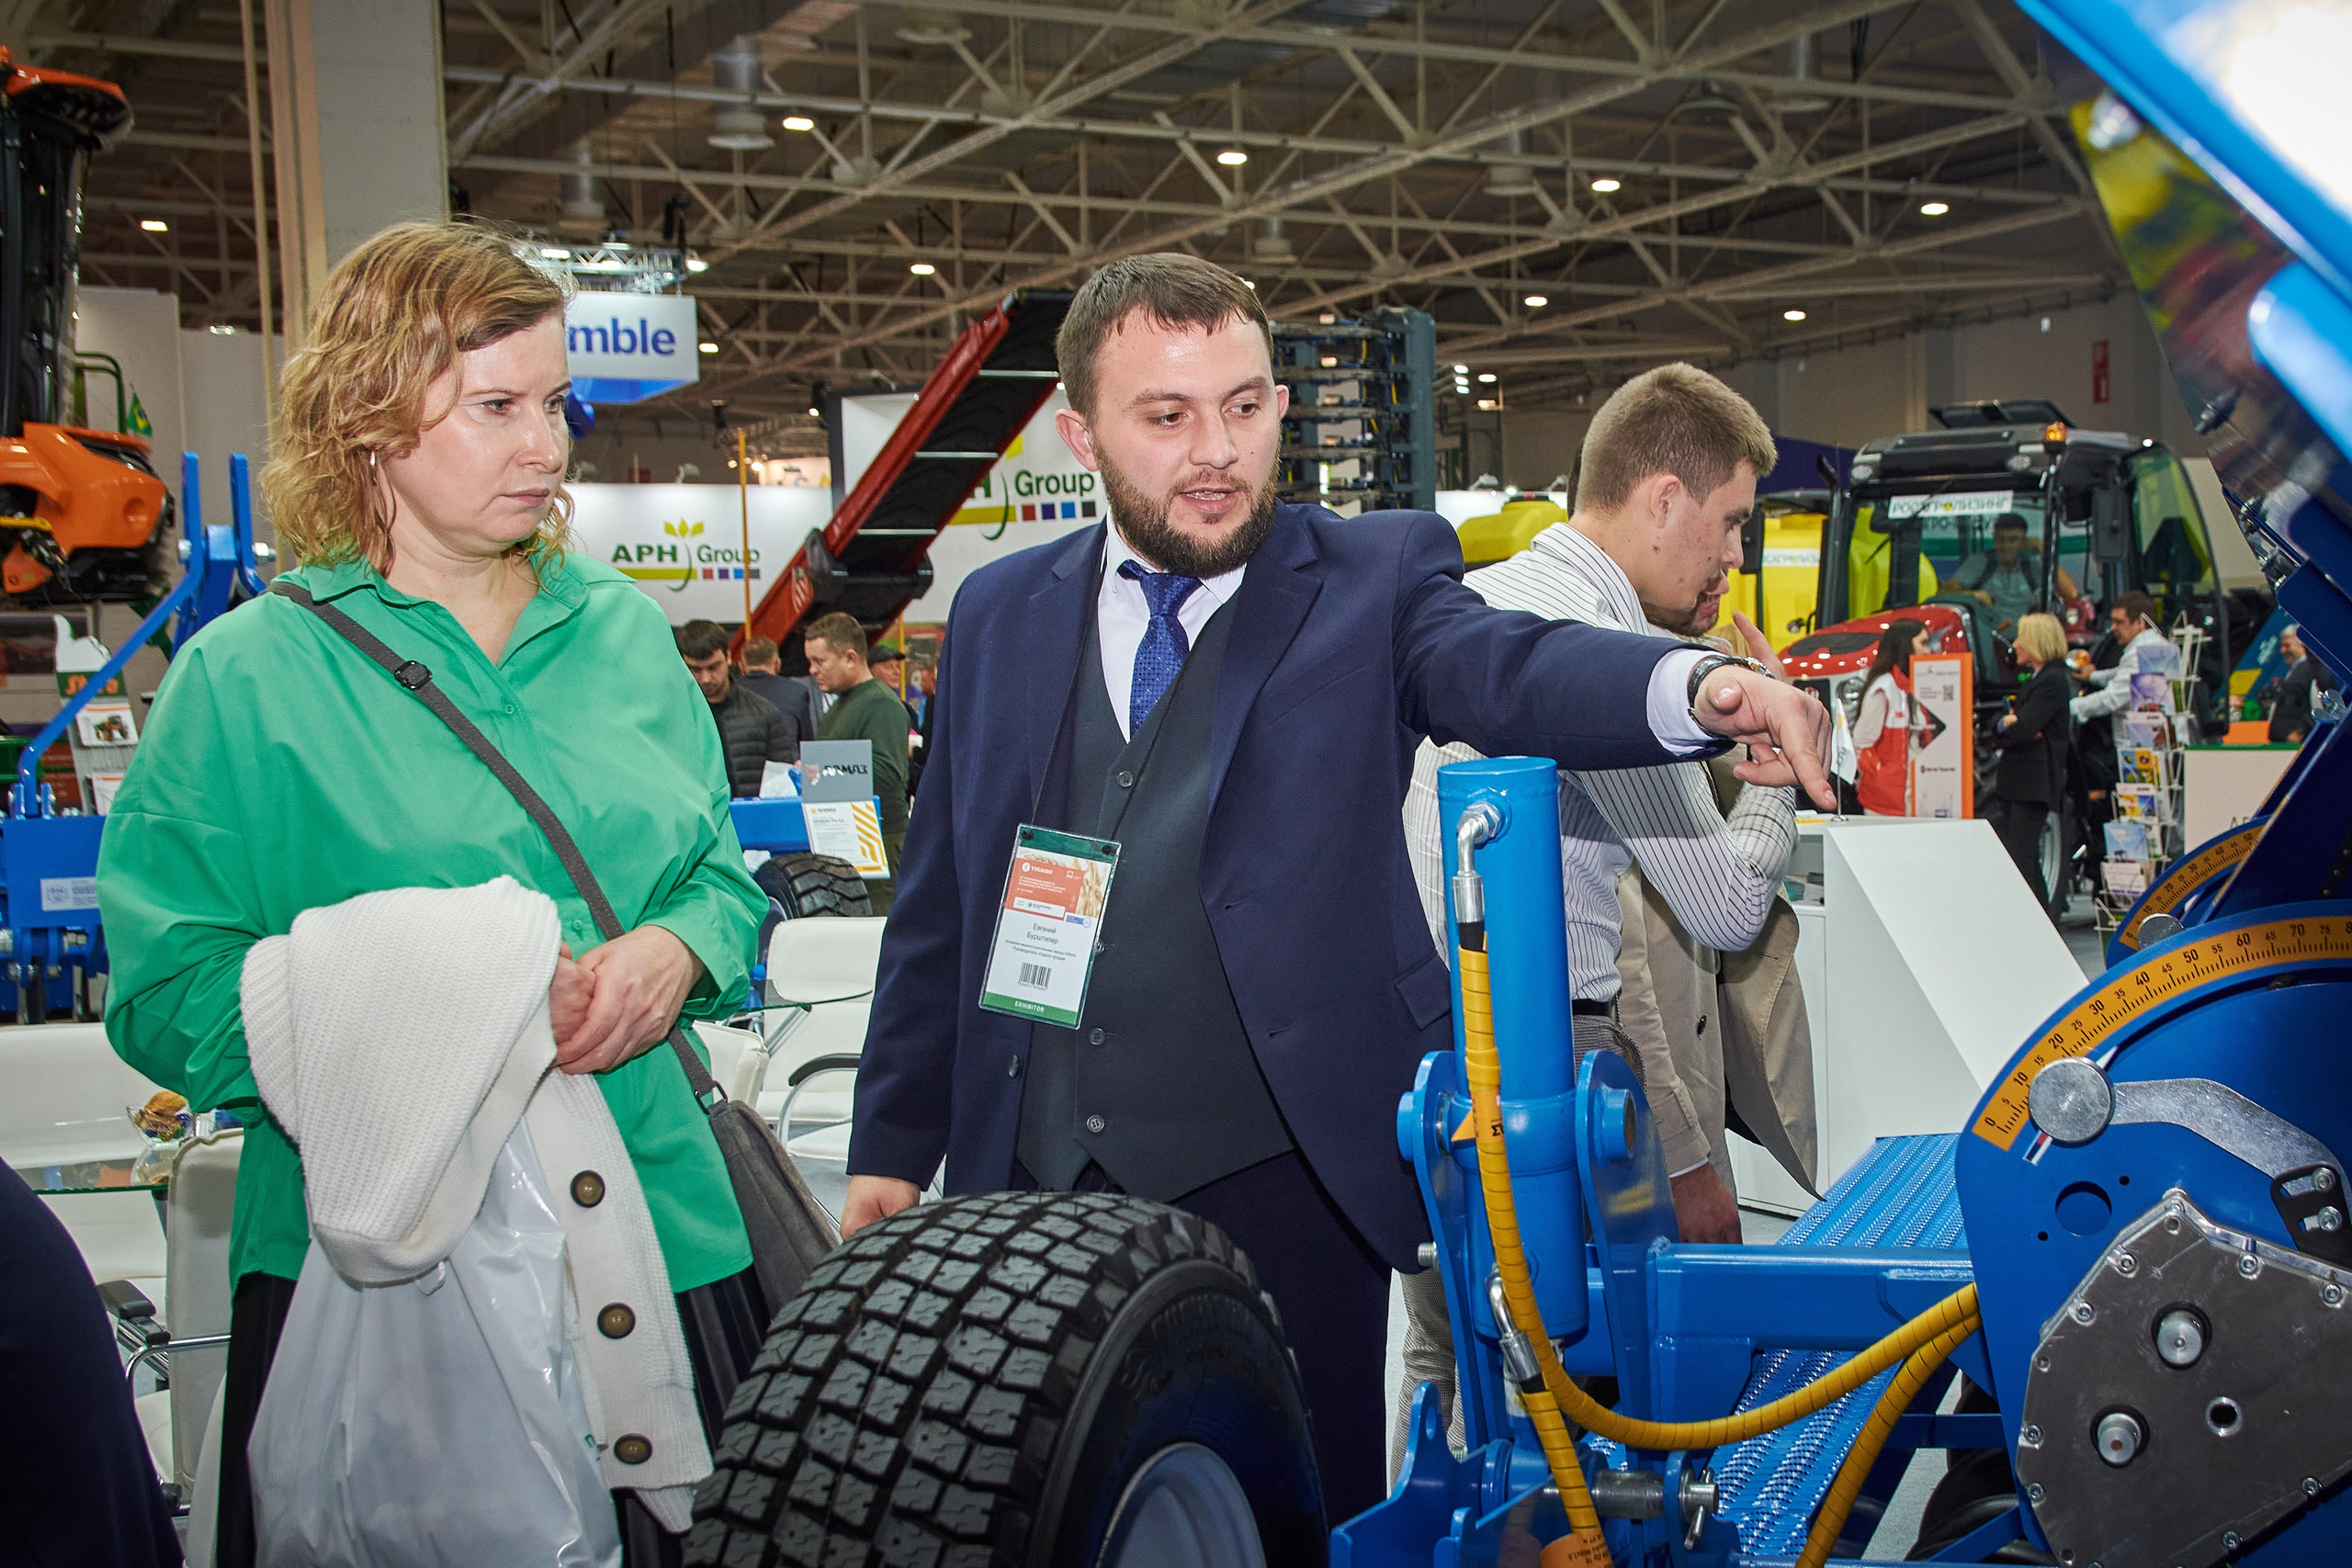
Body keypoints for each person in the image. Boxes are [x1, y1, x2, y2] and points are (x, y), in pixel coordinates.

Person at [841, 253, 1836, 1521]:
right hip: (1029, 1168)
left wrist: (1695, 690)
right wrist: (891, 1137)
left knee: (1283, 1506)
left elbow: (1505, 666)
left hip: (1281, 1173)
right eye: (1169, 416)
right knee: (1033, 1502)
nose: (1219, 452)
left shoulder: (1367, 581)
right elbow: (944, 893)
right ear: (1081, 431)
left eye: (1247, 407)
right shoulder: (998, 612)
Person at [96, 220, 769, 1568]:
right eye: (497, 406)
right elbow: (166, 994)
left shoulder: (625, 633)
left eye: (555, 401)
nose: (548, 444)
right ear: (370, 420)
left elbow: (717, 878)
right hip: (391, 1280)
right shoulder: (247, 681)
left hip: (670, 1237)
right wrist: (435, 1007)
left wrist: (677, 952)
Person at [1402, 362, 1799, 1247]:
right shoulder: (1610, 654)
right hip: (1551, 1067)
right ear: (1663, 500)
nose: (1736, 556)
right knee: (1593, 1366)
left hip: (1433, 1061)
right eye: (1731, 521)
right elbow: (1730, 908)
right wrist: (1783, 774)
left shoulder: (1481, 601)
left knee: (1454, 1360)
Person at [805, 610, 910, 913]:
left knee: (873, 939)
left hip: (878, 844)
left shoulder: (879, 704)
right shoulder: (842, 705)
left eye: (820, 661)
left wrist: (822, 770)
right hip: (845, 841)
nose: (812, 670)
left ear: (850, 657)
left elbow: (889, 774)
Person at [1988, 612, 2073, 913]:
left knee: (2023, 858)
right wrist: (2008, 725)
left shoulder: (2052, 682)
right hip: (2019, 783)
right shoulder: (2037, 681)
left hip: (2032, 785)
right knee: (2022, 858)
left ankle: (2041, 924)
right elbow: (2011, 728)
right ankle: (2042, 924)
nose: (2015, 644)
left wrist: (2015, 725)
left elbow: (2023, 728)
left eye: (2022, 637)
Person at [676, 618, 802, 795]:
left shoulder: (764, 712)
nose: (705, 678)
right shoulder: (671, 717)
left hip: (752, 819)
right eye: (695, 669)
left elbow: (783, 784)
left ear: (728, 657)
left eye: (713, 667)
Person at [1952, 513, 2078, 635]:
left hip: (2028, 643)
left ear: (2023, 542)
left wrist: (2045, 553)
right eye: (2001, 539)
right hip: (1988, 644)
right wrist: (1971, 595)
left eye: (2013, 540)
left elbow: (2070, 594)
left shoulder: (2031, 565)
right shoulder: (1980, 562)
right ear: (1994, 538)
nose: (2006, 545)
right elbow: (1944, 591)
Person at [1851, 618, 1927, 816]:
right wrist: (1880, 776)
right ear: (1905, 645)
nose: (1928, 651)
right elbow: (1861, 741)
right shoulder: (1884, 687)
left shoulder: (1913, 686)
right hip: (1884, 801)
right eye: (1923, 643)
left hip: (1909, 794)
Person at [2070, 591, 2172, 724]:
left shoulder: (2140, 655)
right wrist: (2093, 676)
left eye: (2119, 622)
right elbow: (2122, 675)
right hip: (2159, 736)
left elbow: (2112, 698)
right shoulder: (2159, 647)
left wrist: (2070, 707)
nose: (2113, 628)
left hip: (2141, 741)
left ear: (2139, 623)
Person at [736, 633, 825, 738]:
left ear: (741, 666)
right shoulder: (797, 691)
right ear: (778, 664)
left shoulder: (729, 692)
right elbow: (806, 742)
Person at [2268, 624, 2338, 743]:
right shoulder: (2293, 671)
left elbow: (2318, 702)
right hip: (2283, 741)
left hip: (2299, 741)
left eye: (2287, 646)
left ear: (2302, 647)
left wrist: (2303, 731)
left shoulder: (2312, 671)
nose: (2283, 650)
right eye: (2282, 646)